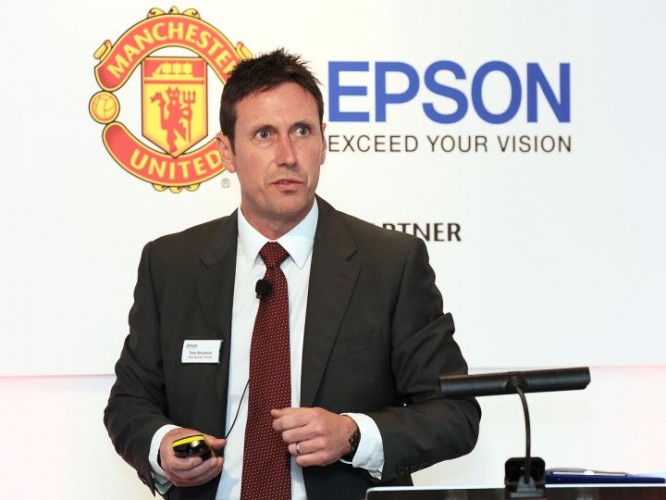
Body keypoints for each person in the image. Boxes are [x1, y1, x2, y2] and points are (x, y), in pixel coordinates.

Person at [104, 48, 481, 500]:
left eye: (302, 131)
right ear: (226, 152)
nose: (287, 155)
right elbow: (129, 403)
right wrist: (164, 444)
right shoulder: (171, 265)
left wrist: (353, 434)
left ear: (323, 143)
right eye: (264, 134)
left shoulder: (390, 264)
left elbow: (455, 414)